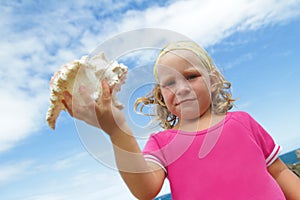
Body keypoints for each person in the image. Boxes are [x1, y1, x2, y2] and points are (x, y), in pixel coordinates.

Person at [62, 41, 300, 200]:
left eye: (191, 76)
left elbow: (278, 172)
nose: (182, 88)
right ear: (162, 95)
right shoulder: (163, 142)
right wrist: (117, 131)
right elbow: (145, 190)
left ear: (213, 80)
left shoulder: (243, 121)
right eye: (170, 83)